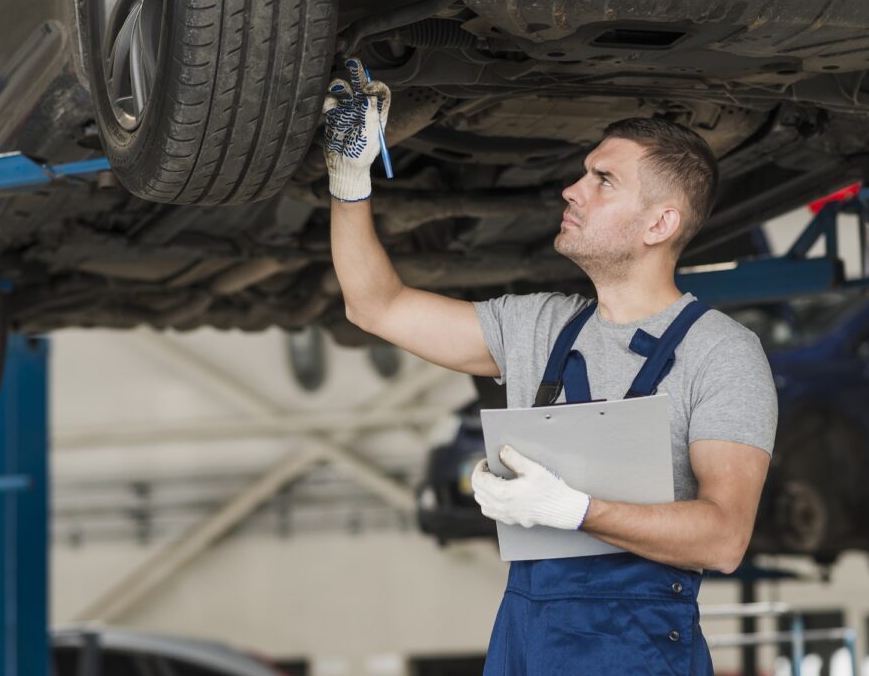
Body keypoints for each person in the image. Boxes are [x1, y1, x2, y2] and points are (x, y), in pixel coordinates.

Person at [324, 59, 778, 675]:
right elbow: (376, 306)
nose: (572, 189)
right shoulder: (538, 327)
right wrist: (349, 180)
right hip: (527, 637)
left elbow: (724, 539)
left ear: (661, 223)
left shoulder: (721, 353)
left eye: (603, 180)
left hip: (635, 648)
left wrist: (574, 511)